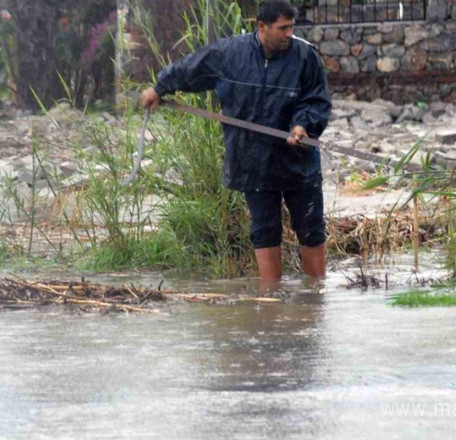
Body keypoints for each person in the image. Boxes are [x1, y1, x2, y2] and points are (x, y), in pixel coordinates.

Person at [140, 0, 331, 282]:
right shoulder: (230, 53)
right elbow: (191, 68)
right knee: (264, 232)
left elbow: (317, 99)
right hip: (251, 161)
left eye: (291, 27)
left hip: (298, 163)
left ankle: (317, 297)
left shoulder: (305, 56)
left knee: (311, 229)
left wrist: (304, 125)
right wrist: (160, 87)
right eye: (283, 28)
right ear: (262, 27)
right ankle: (270, 300)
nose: (289, 33)